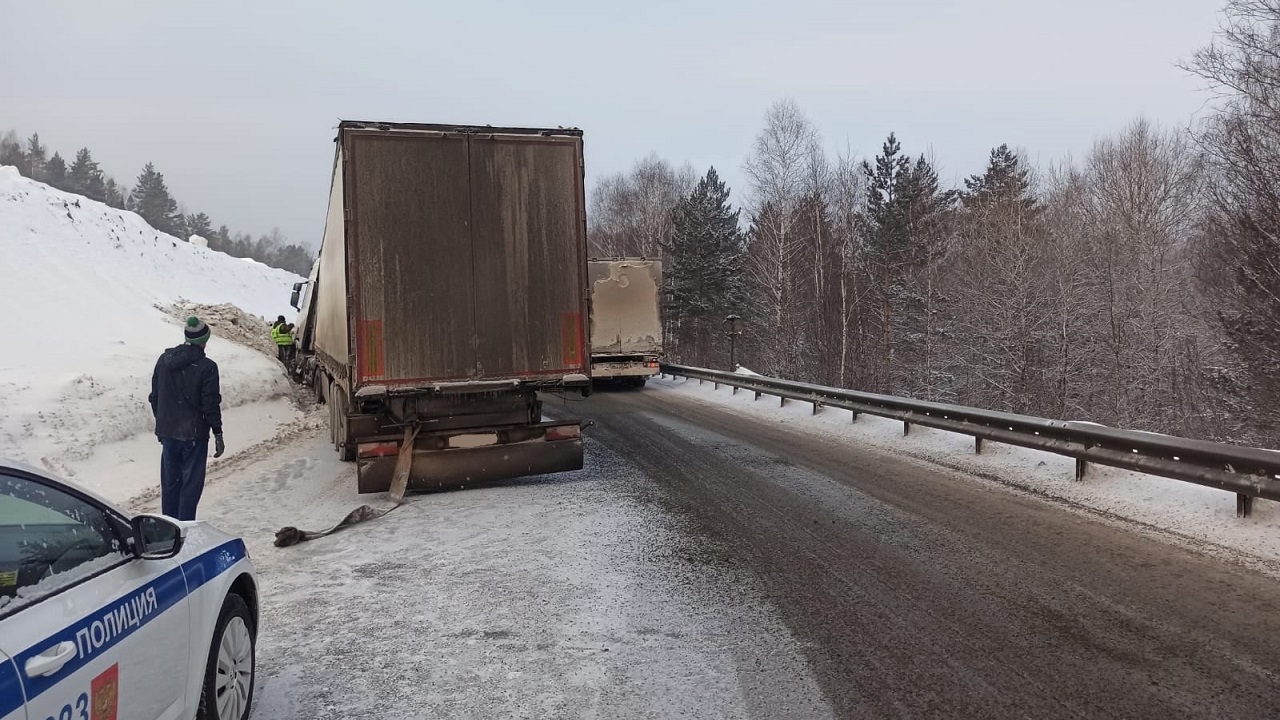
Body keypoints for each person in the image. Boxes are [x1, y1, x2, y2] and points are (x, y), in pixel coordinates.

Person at [149, 316, 224, 521]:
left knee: (170, 486)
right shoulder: (207, 367)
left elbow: (155, 396)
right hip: (194, 435)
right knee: (190, 488)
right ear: (204, 341)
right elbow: (210, 404)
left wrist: (162, 424)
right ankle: (185, 534)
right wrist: (217, 432)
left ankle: (170, 531)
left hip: (169, 434)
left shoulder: (164, 361)